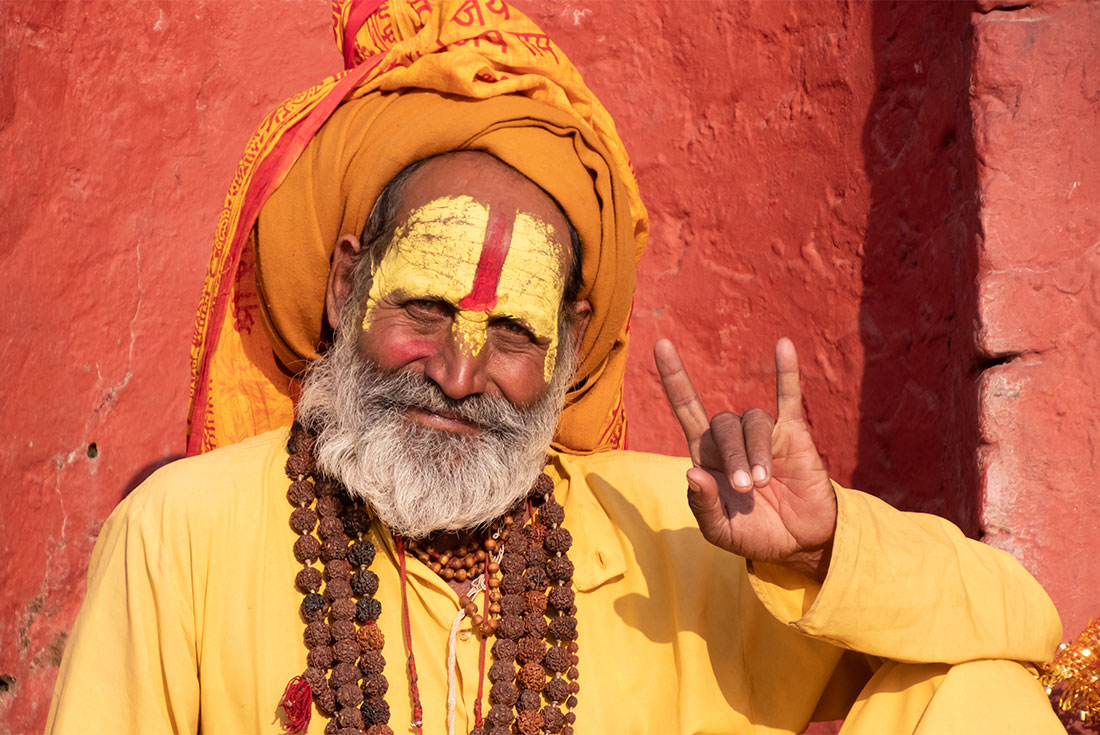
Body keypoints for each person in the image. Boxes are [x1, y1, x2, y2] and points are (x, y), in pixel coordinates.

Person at [47, 2, 1066, 734]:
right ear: (344, 289)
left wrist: (816, 546)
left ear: (570, 341)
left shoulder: (679, 533)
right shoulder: (184, 533)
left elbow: (1023, 623)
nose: (454, 372)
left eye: (510, 335)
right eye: (423, 310)